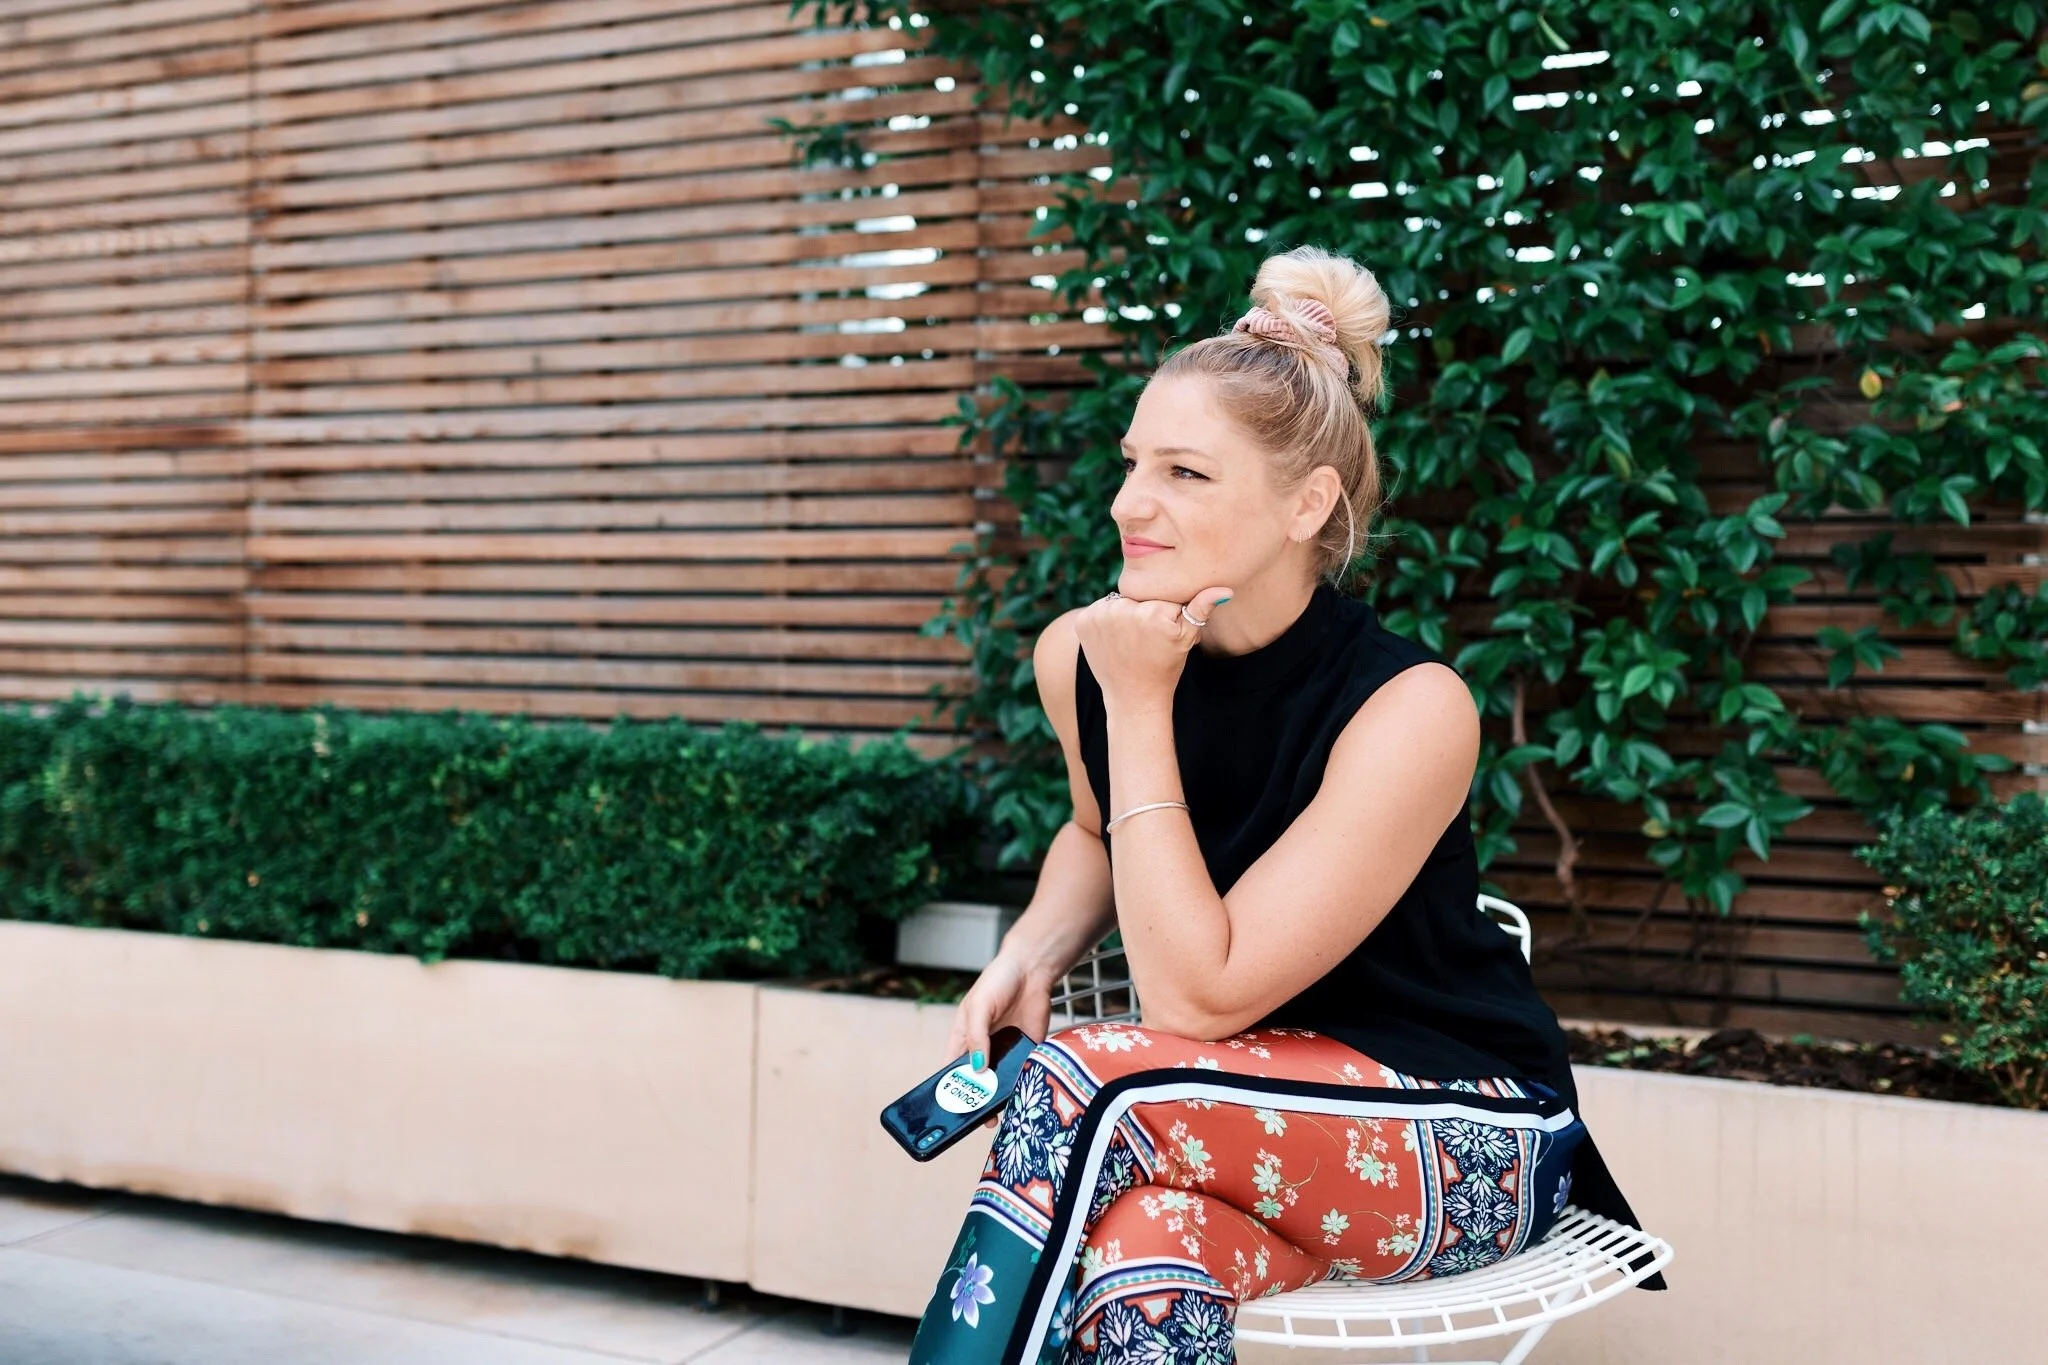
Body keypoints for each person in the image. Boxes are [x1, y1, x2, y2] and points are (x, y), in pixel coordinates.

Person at [907, 244, 1661, 1365]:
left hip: (1464, 1130)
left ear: (1308, 503)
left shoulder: (1408, 707)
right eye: (1132, 463)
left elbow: (1194, 999)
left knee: (1085, 1077)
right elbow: (1093, 831)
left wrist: (1141, 703)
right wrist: (1032, 949)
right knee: (1146, 1250)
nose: (1128, 503)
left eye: (1185, 473)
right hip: (1221, 1114)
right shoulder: (1083, 654)